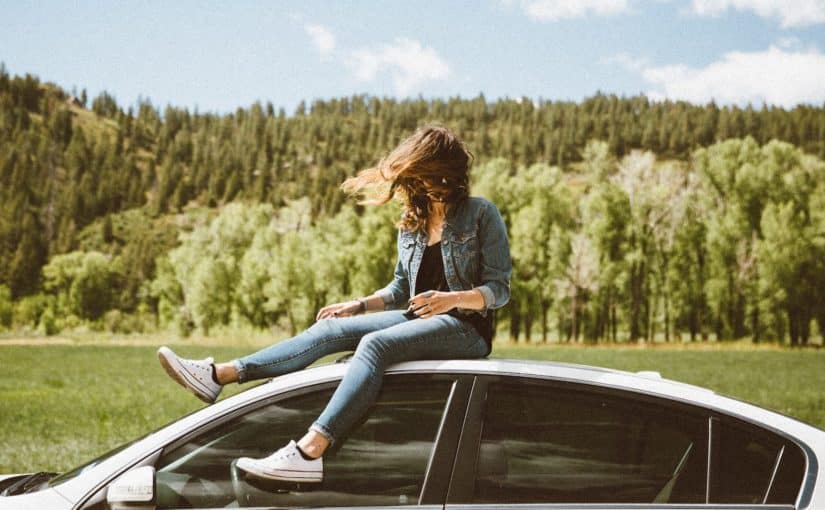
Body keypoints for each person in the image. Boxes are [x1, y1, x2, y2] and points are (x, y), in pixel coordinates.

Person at [156, 124, 512, 483]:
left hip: (467, 328)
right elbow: (402, 287)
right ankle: (218, 375)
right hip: (416, 318)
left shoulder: (481, 214)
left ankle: (310, 451)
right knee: (330, 329)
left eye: (427, 174)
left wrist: (451, 299)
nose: (422, 183)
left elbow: (499, 289)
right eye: (417, 175)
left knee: (375, 345)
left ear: (446, 171)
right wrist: (358, 305)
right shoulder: (412, 223)